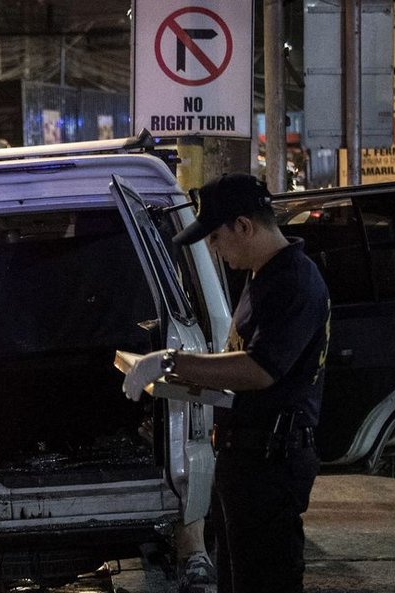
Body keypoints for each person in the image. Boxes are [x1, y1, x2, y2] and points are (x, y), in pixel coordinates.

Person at [122, 174, 330, 593]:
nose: (214, 248)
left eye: (216, 237)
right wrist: (182, 378)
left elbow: (259, 369)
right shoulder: (263, 275)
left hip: (272, 463)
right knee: (239, 578)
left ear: (244, 226)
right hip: (249, 457)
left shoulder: (291, 281)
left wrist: (173, 361)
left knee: (264, 580)